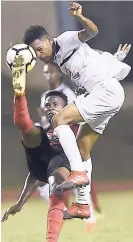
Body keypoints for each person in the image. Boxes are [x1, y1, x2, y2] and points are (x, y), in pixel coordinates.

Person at [1, 56, 75, 242]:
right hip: (44, 153)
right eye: (47, 105)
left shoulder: (73, 128)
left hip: (63, 160)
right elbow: (35, 172)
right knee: (28, 130)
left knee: (56, 184)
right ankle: (20, 93)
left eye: (55, 105)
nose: (49, 108)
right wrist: (19, 204)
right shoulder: (44, 130)